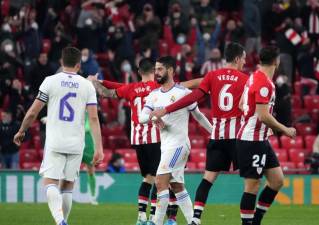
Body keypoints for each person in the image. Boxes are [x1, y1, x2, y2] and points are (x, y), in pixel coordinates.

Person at [90, 58, 203, 225]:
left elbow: (108, 92)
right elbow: (185, 85)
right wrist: (207, 81)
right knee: (167, 179)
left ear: (138, 72)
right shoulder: (159, 87)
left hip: (138, 139)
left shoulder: (131, 88)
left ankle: (142, 217)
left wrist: (97, 82)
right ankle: (165, 218)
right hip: (158, 138)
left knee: (149, 178)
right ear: (154, 71)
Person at [150, 42, 248, 225]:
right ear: (237, 59)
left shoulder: (212, 75)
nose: (244, 61)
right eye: (243, 58)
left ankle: (194, 219)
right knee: (250, 183)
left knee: (207, 180)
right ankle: (246, 221)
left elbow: (195, 94)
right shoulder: (245, 79)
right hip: (237, 137)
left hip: (217, 137)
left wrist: (169, 105)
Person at [13, 47, 104, 225]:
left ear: (62, 62)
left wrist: (22, 130)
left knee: (50, 182)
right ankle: (63, 220)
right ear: (79, 65)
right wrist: (99, 148)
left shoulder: (50, 81)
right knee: (68, 186)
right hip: (77, 144)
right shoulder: (87, 86)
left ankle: (59, 220)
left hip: (55, 141)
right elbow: (93, 118)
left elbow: (33, 112)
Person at [138, 56, 212, 225]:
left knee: (159, 181)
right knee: (177, 186)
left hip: (179, 145)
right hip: (166, 146)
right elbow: (141, 117)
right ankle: (194, 221)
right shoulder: (154, 95)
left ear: (170, 70)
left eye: (160, 69)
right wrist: (154, 117)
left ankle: (155, 222)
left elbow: (199, 117)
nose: (156, 73)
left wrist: (214, 132)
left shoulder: (182, 93)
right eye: (155, 69)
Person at [236, 46, 296, 225]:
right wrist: (284, 129)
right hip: (251, 141)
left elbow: (241, 104)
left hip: (260, 139)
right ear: (276, 61)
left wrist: (256, 120)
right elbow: (263, 115)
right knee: (252, 186)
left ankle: (256, 221)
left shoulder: (254, 76)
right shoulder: (264, 84)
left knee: (277, 181)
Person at [82, 113, 98, 205]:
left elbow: (88, 127)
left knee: (91, 170)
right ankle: (63, 193)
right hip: (76, 142)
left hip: (88, 144)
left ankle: (92, 196)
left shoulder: (90, 114)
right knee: (69, 169)